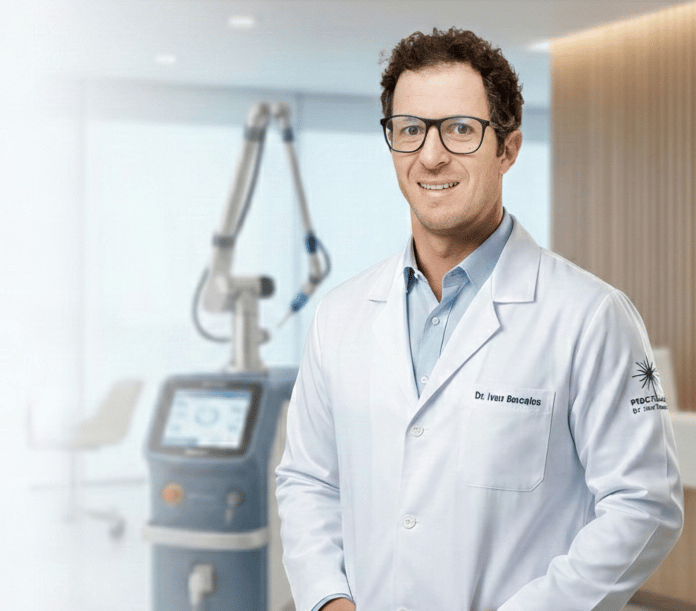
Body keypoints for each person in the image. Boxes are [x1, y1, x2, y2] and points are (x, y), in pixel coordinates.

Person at [275, 27, 683, 611]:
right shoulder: (341, 316)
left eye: (460, 130)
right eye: (410, 130)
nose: (431, 154)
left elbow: (644, 505)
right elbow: (308, 481)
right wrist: (329, 599)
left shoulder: (590, 316)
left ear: (508, 149)